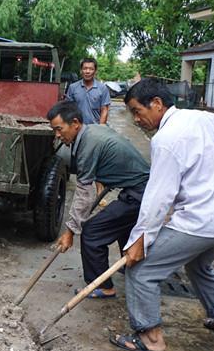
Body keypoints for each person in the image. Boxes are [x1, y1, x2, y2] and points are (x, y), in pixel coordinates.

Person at [111, 79, 214, 351]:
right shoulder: (198, 117)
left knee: (141, 272)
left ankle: (150, 339)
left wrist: (140, 239)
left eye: (137, 111)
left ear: (156, 103)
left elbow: (158, 198)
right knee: (200, 266)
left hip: (200, 223)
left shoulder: (165, 140)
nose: (136, 119)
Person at [48, 101, 150, 298]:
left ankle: (103, 286)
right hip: (140, 190)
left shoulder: (88, 145)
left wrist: (70, 231)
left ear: (75, 123)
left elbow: (84, 195)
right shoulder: (93, 131)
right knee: (123, 227)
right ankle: (134, 269)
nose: (57, 135)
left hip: (140, 194)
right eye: (54, 130)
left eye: (59, 129)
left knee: (92, 232)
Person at [64, 57, 111, 125]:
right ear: (81, 71)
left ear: (95, 71)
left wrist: (100, 128)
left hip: (95, 127)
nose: (87, 71)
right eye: (85, 68)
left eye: (91, 69)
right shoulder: (73, 87)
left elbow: (104, 110)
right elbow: (68, 108)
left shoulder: (102, 88)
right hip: (77, 127)